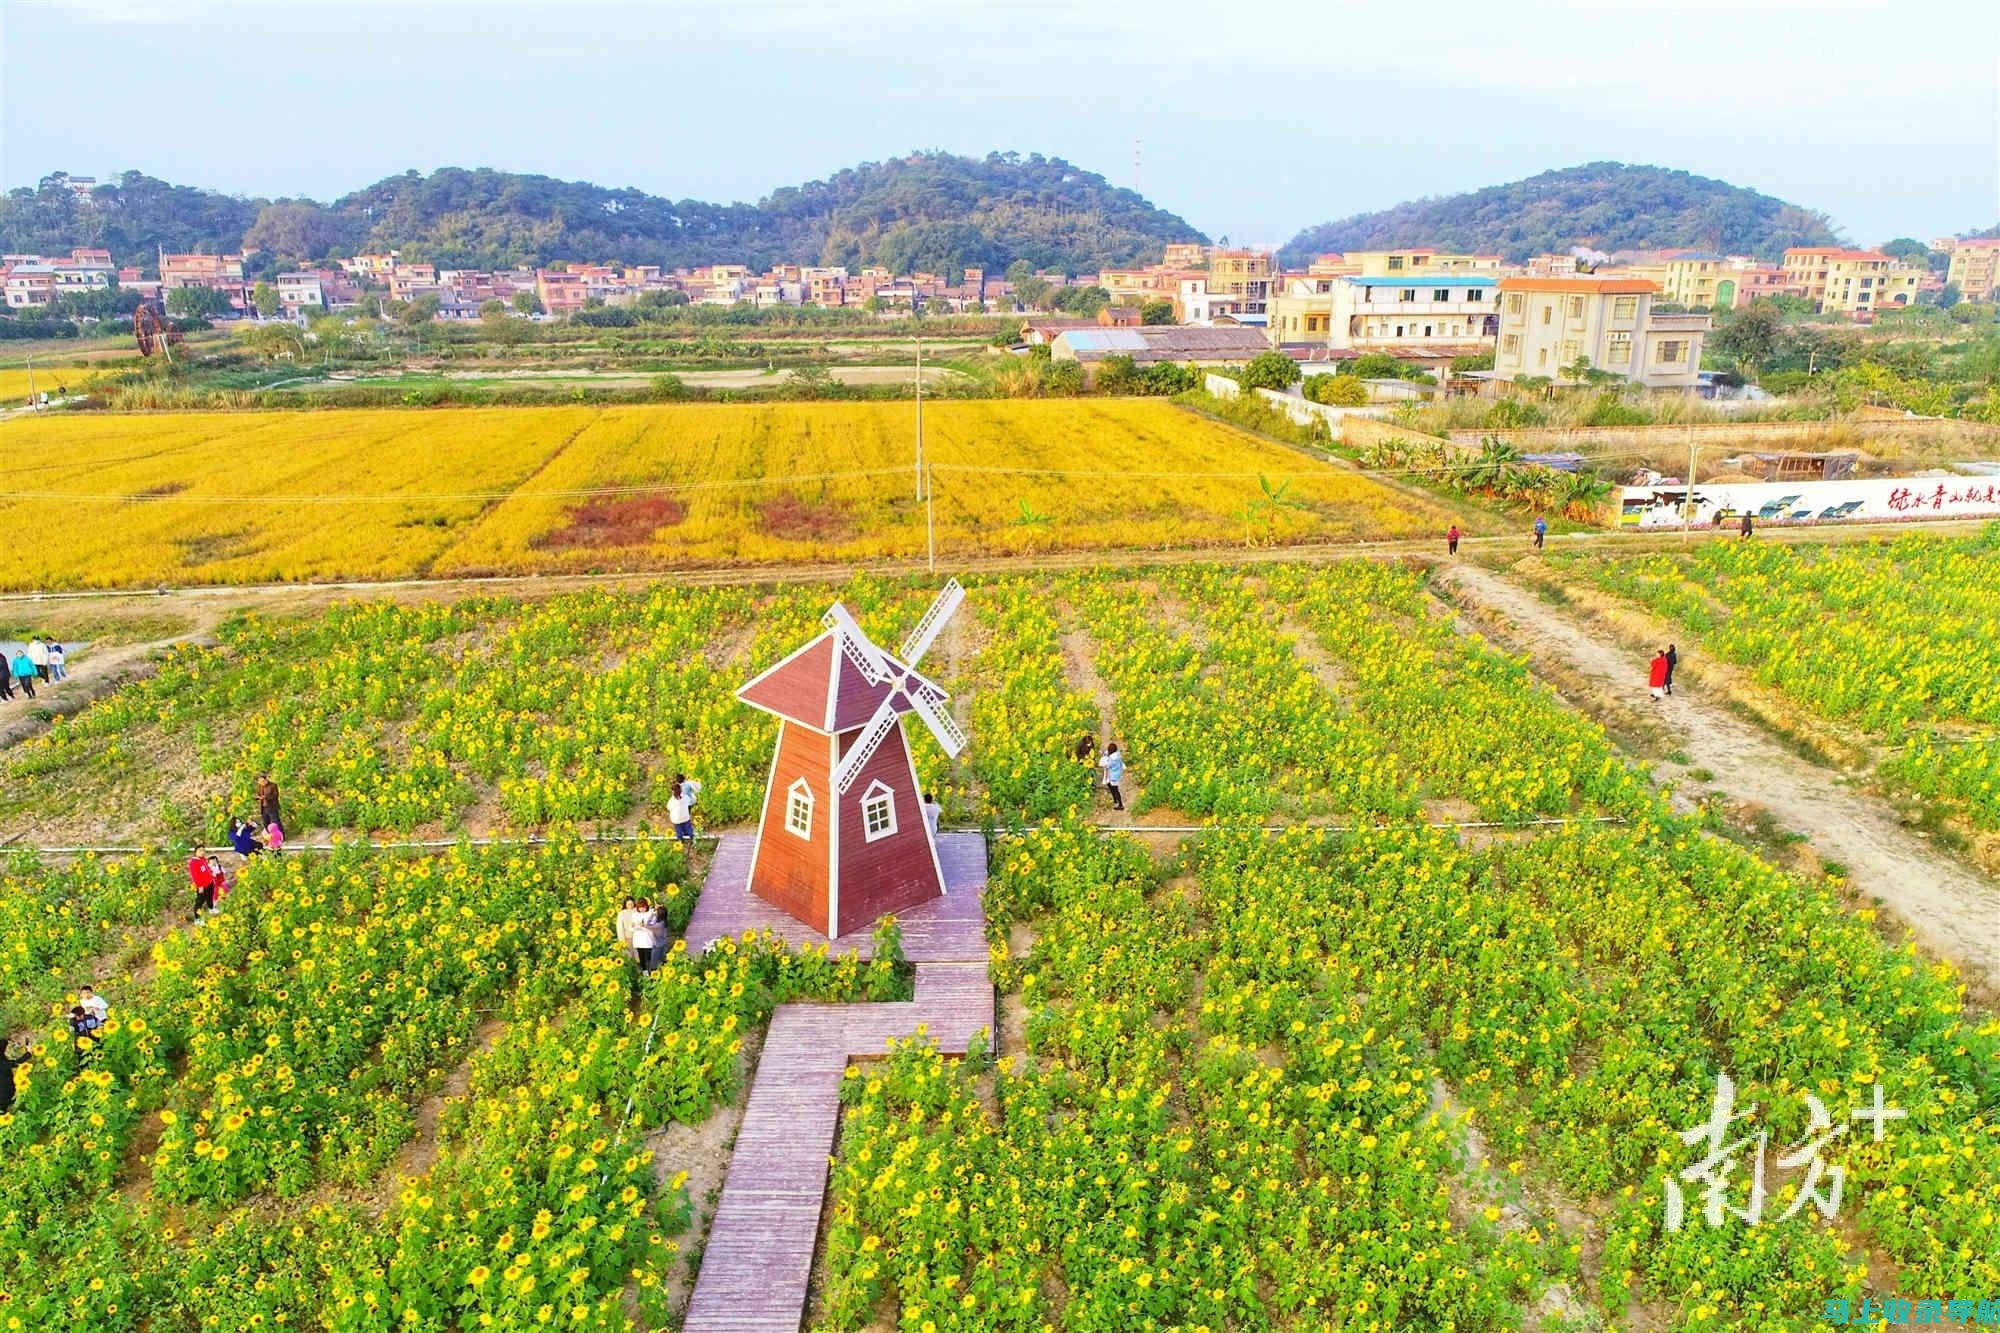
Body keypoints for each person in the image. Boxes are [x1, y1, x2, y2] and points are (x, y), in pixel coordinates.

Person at [630, 898, 660, 975]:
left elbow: (653, 923)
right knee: (641, 956)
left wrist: (644, 926)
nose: (642, 909)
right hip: (639, 939)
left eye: (643, 907)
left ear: (646, 906)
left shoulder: (650, 913)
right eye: (640, 907)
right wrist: (635, 927)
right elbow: (631, 927)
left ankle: (651, 971)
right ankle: (644, 972)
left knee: (648, 956)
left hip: (647, 938)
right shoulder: (635, 915)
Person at [0, 1038, 28, 1114]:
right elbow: (17, 1063)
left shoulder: (2, 1058)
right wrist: (28, 1053)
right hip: (4, 1093)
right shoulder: (2, 1062)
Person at [187, 850, 217, 920]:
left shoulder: (203, 859)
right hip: (202, 886)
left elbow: (207, 869)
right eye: (200, 851)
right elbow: (195, 876)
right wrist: (200, 886)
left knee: (210, 896)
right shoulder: (193, 863)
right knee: (200, 901)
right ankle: (198, 919)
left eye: (203, 850)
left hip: (209, 882)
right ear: (195, 852)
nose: (202, 852)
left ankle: (211, 908)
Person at [666, 781, 695, 849]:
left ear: (673, 791)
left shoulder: (672, 801)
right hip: (685, 818)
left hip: (676, 820)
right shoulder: (685, 797)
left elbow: (668, 807)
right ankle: (692, 838)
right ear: (681, 790)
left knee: (678, 829)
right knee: (688, 827)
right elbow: (690, 802)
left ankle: (680, 840)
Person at [1098, 742, 1126, 811]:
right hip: (1117, 774)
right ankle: (1115, 799)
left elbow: (1107, 765)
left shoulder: (1113, 759)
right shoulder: (1117, 755)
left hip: (1113, 776)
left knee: (1115, 789)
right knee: (1110, 785)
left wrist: (1104, 759)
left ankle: (1120, 805)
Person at [615, 896, 642, 964]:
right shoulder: (622, 913)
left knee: (638, 956)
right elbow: (620, 928)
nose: (630, 905)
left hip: (638, 937)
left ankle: (640, 971)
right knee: (628, 956)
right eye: (629, 904)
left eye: (632, 904)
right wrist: (622, 940)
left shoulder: (638, 911)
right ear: (625, 904)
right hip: (627, 938)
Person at [255, 774, 283, 839]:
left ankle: (280, 836)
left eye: (262, 781)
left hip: (272, 807)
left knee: (275, 822)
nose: (262, 783)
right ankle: (270, 837)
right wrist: (257, 797)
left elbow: (275, 796)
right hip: (263, 807)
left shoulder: (273, 785)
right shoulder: (259, 786)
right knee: (265, 822)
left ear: (266, 779)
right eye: (260, 782)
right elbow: (258, 794)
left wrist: (266, 797)